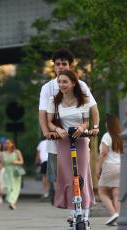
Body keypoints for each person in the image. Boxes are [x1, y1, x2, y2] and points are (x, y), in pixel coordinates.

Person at [38, 48, 100, 205]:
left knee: (81, 175)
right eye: (57, 64)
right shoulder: (47, 88)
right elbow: (43, 113)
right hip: (57, 138)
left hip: (78, 137)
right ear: (53, 66)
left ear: (71, 66)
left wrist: (95, 127)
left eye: (64, 64)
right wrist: (47, 132)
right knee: (60, 178)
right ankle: (71, 206)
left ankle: (82, 208)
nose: (60, 67)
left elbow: (93, 108)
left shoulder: (81, 85)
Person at [47, 70, 94, 221]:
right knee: (68, 178)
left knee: (82, 178)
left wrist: (82, 128)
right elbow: (49, 122)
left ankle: (85, 215)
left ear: (73, 83)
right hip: (64, 142)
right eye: (59, 82)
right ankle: (74, 214)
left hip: (80, 140)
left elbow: (86, 121)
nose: (61, 85)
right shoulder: (54, 101)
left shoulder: (84, 100)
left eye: (65, 82)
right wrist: (57, 129)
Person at [96, 114, 122, 226]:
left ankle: (113, 214)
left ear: (108, 124)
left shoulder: (107, 136)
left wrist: (98, 167)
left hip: (109, 166)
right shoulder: (120, 136)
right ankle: (118, 217)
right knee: (116, 193)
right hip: (120, 166)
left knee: (101, 192)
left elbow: (104, 153)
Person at [0, 139, 24, 210]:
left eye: (8, 143)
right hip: (7, 172)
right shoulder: (3, 153)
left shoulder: (17, 152)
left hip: (15, 172)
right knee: (8, 187)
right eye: (5, 143)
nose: (6, 144)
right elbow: (2, 164)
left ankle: (12, 203)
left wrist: (16, 162)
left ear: (12, 144)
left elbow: (22, 161)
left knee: (15, 187)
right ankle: (12, 202)